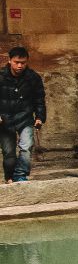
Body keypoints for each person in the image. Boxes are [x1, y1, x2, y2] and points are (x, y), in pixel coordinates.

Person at [0, 45, 46, 183]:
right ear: (10, 60)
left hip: (25, 117)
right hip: (5, 119)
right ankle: (9, 177)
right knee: (9, 153)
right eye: (16, 62)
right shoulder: (1, 77)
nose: (20, 65)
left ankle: (20, 175)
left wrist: (39, 117)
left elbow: (39, 99)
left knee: (26, 147)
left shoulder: (33, 78)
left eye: (23, 63)